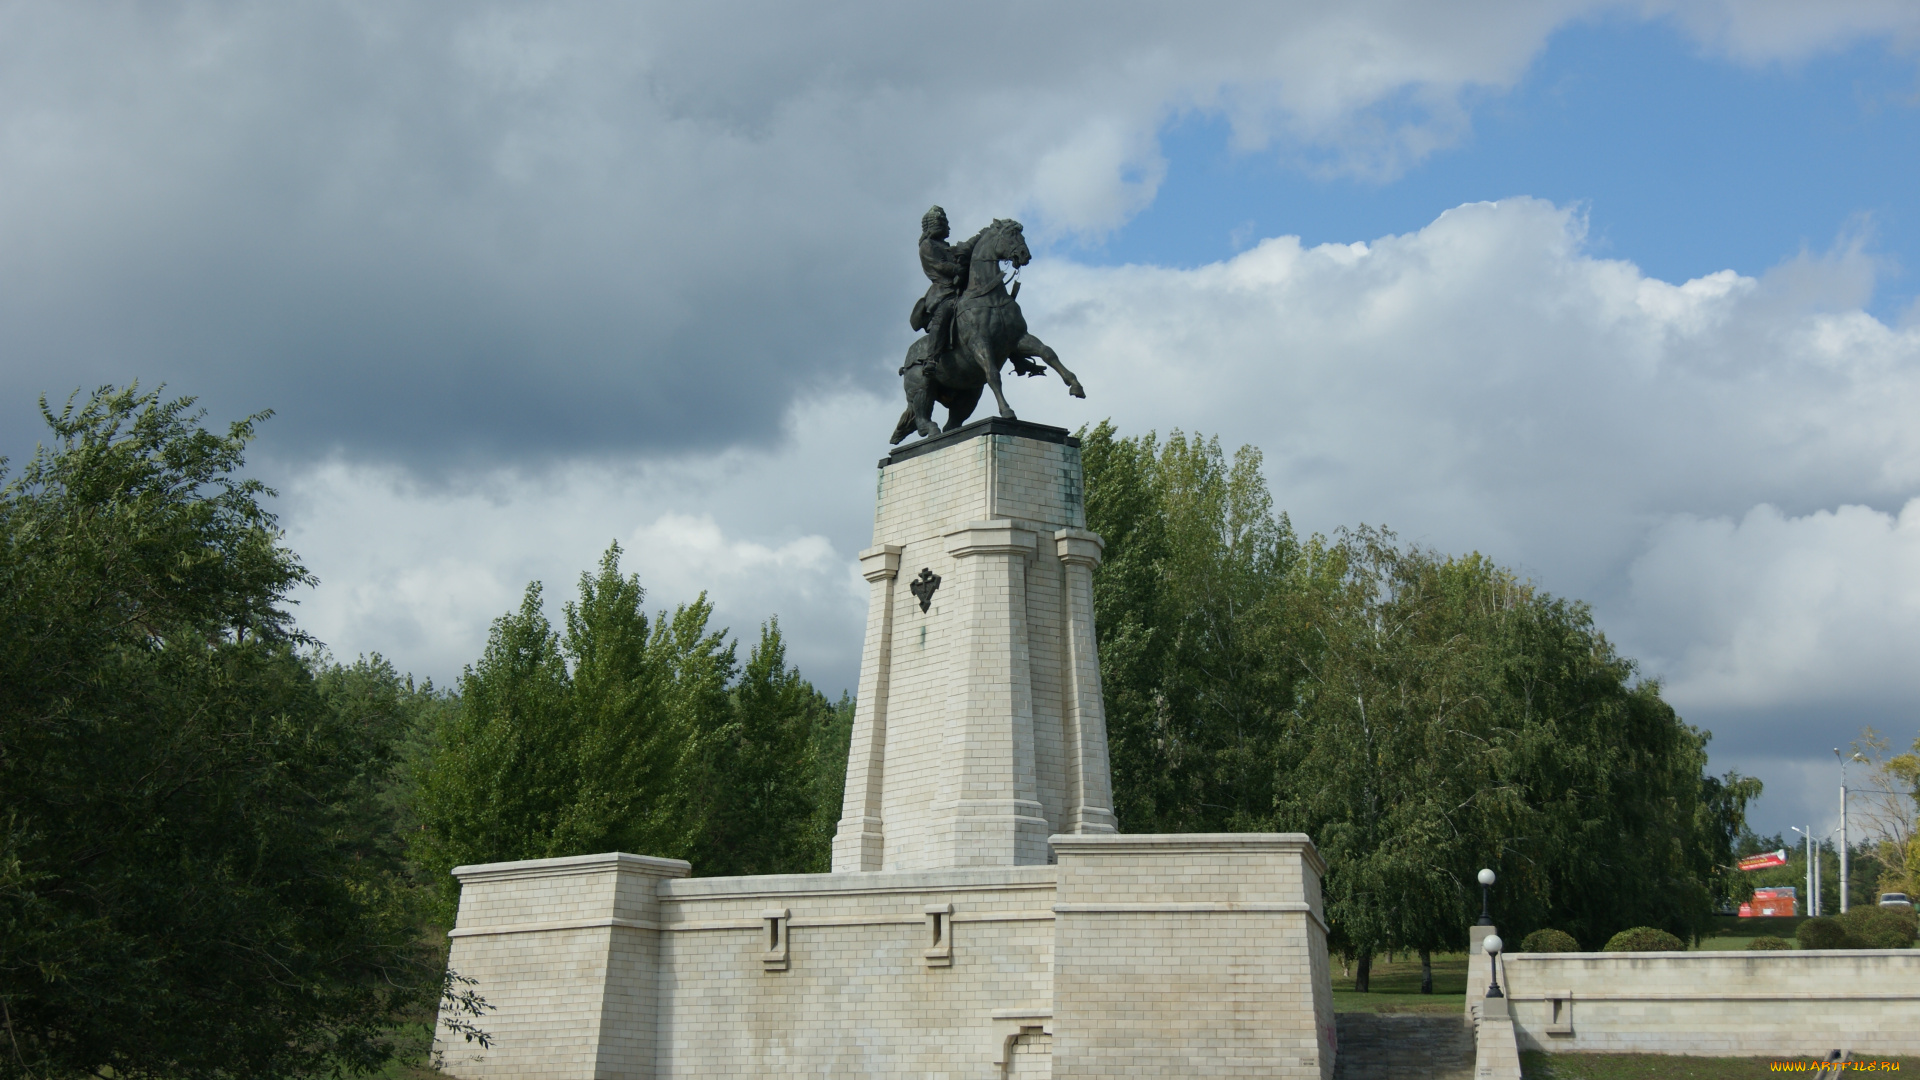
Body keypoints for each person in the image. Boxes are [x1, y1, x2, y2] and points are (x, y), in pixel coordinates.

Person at [913, 206, 973, 362]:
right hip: (943, 292)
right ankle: (932, 358)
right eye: (945, 224)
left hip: (960, 288)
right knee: (943, 315)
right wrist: (958, 268)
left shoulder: (946, 246)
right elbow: (939, 265)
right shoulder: (927, 245)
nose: (948, 228)